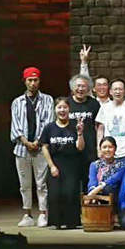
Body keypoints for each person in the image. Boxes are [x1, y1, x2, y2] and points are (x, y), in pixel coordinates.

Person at [11, 66, 54, 227]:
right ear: (24, 81)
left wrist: (37, 141)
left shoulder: (47, 100)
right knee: (25, 184)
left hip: (41, 148)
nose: (33, 83)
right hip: (22, 148)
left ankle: (43, 213)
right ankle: (27, 214)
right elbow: (15, 124)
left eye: (35, 80)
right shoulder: (17, 102)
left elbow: (49, 122)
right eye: (30, 80)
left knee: (42, 183)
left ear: (39, 81)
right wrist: (25, 142)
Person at [40, 97, 85, 229]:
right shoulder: (49, 128)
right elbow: (44, 147)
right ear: (55, 109)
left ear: (69, 109)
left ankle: (72, 222)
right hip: (55, 164)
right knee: (55, 194)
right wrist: (51, 166)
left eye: (65, 107)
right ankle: (57, 222)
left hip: (71, 164)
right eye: (59, 107)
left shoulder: (75, 125)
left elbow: (80, 147)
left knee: (70, 192)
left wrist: (80, 133)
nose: (62, 110)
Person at [95, 78, 125, 165]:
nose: (118, 92)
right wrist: (99, 148)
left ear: (124, 91)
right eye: (115, 89)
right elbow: (100, 129)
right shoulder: (104, 108)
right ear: (110, 91)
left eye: (120, 89)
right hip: (108, 152)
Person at [67, 73, 100, 191]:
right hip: (70, 147)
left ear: (88, 88)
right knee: (72, 180)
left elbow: (98, 126)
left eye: (83, 86)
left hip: (89, 148)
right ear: (72, 87)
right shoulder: (67, 103)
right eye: (78, 86)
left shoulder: (94, 104)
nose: (80, 89)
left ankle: (88, 202)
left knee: (89, 179)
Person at [86, 136, 125, 207]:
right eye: (104, 147)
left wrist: (92, 193)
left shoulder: (122, 166)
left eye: (110, 147)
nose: (107, 150)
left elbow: (113, 180)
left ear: (115, 149)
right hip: (96, 196)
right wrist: (92, 193)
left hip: (114, 197)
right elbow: (92, 181)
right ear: (100, 149)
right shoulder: (94, 165)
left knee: (108, 188)